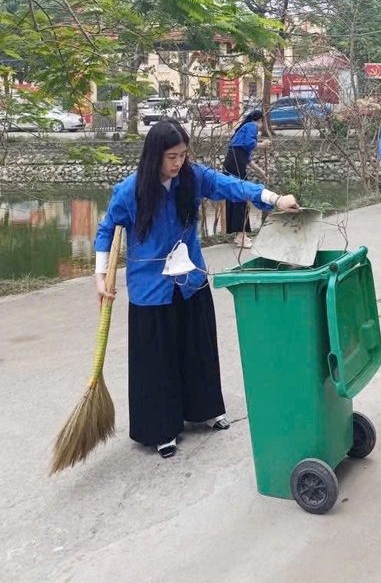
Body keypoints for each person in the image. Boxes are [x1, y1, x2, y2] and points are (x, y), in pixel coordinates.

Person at [94, 119, 299, 459]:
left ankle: (205, 410)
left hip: (190, 281)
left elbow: (232, 186)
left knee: (198, 348)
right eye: (171, 157)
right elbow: (106, 231)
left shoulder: (193, 177)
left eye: (183, 155)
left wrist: (275, 199)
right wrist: (100, 276)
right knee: (157, 359)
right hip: (151, 288)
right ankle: (161, 429)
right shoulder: (130, 191)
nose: (178, 163)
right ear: (154, 156)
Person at [223, 110, 268, 249]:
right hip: (235, 164)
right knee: (241, 196)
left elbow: (247, 159)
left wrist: (262, 173)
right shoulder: (251, 126)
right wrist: (262, 144)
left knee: (234, 197)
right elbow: (250, 144)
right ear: (260, 119)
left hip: (232, 163)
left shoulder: (243, 129)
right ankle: (240, 236)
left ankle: (239, 234)